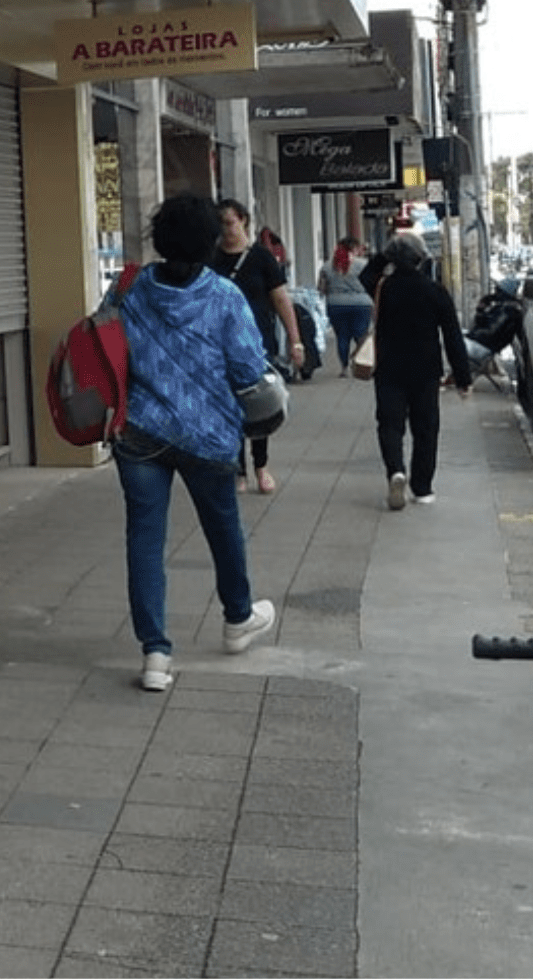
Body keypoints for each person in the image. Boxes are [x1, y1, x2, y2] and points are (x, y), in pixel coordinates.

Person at [113, 192, 278, 692]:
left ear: (160, 239)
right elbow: (248, 369)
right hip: (208, 435)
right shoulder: (225, 296)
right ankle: (237, 618)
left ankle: (155, 654)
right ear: (209, 241)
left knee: (145, 538)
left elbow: (107, 348)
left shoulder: (129, 288)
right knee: (223, 527)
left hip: (140, 431)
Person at [370, 230, 472, 509]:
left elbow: (366, 274)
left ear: (392, 258)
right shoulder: (435, 291)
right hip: (426, 370)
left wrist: (386, 254)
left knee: (390, 424)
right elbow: (452, 336)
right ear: (421, 259)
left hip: (389, 367)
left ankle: (396, 470)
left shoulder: (383, 287)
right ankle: (422, 487)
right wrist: (462, 377)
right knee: (426, 427)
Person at [212, 198, 303, 493]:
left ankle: (261, 466)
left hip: (257, 345)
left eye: (230, 222)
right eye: (221, 224)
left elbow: (281, 300)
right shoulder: (211, 259)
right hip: (220, 346)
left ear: (243, 221)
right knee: (230, 408)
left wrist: (295, 340)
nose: (226, 230)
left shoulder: (261, 258)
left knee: (259, 404)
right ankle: (238, 470)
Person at [317, 235, 373, 375]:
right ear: (354, 248)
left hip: (336, 304)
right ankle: (361, 364)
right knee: (361, 336)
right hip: (361, 304)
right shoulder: (364, 264)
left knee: (342, 336)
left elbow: (321, 289)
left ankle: (344, 368)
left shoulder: (327, 266)